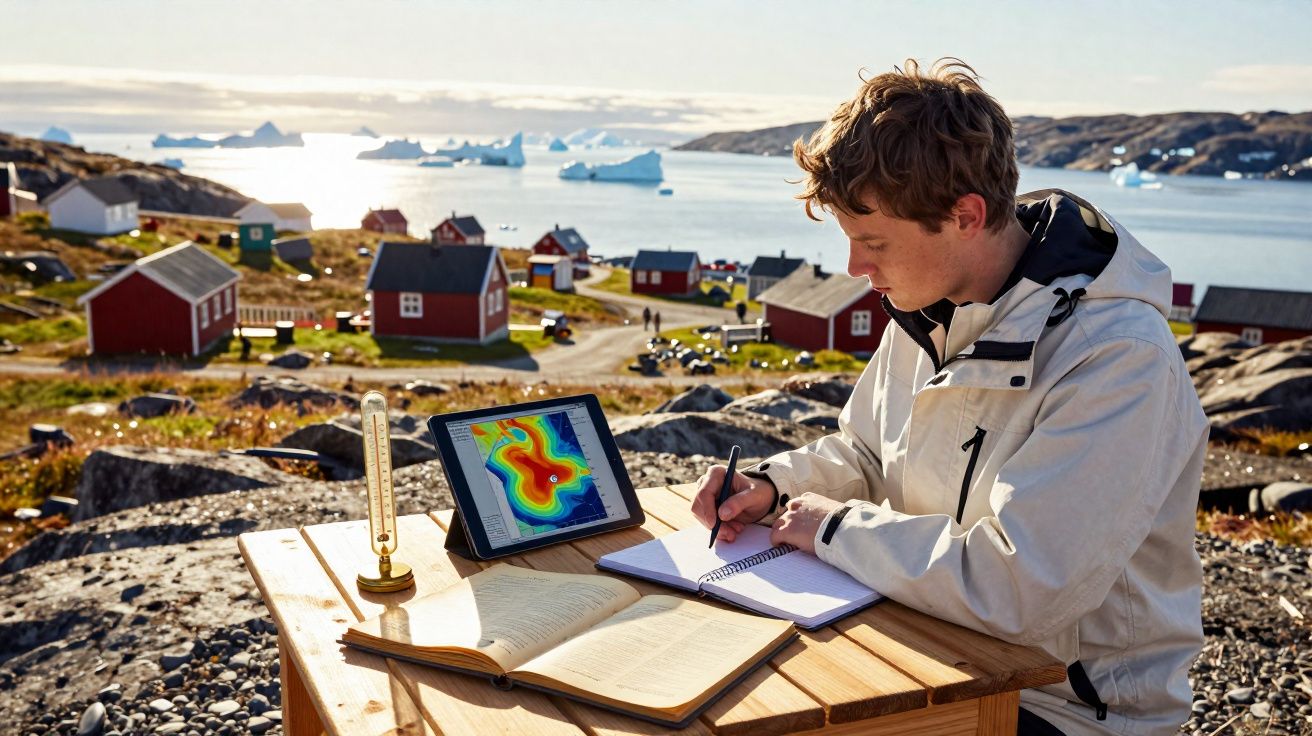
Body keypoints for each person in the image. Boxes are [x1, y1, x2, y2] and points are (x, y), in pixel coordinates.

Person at [690, 58, 1207, 736]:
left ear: (966, 216)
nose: (855, 267)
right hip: (927, 645)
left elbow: (1022, 587)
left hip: (1064, 707)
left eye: (872, 242)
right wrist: (774, 487)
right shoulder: (928, 309)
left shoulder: (1116, 358)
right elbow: (868, 454)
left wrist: (834, 530)